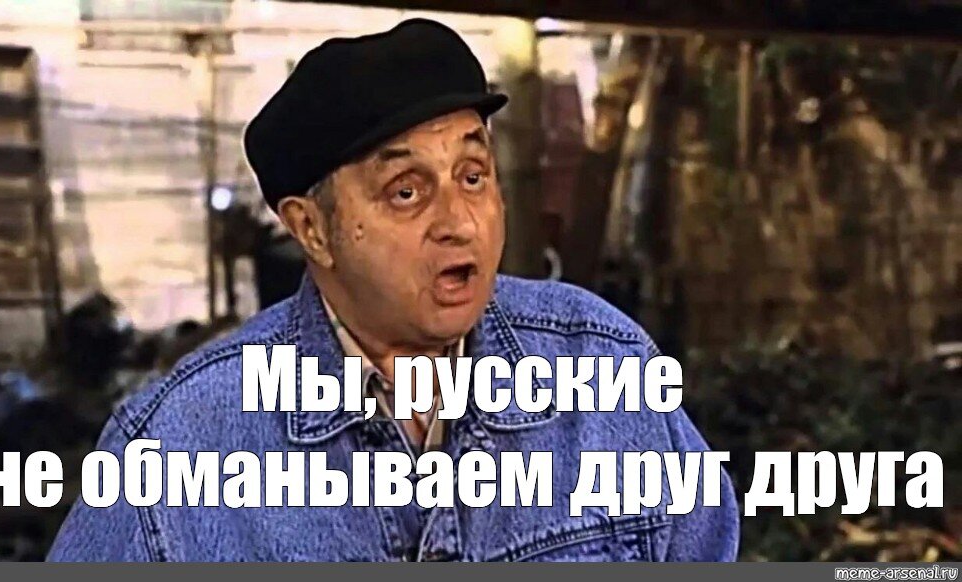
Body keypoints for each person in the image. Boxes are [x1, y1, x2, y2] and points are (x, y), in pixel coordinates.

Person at [48, 18, 738, 562]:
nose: (459, 222)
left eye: (473, 175)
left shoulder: (605, 369)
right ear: (312, 229)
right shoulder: (178, 446)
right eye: (406, 191)